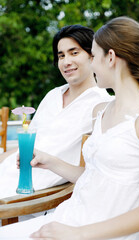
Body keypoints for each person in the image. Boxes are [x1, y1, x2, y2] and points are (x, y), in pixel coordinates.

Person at [1, 16, 139, 240]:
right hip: (70, 218)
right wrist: (49, 161)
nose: (92, 64)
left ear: (111, 58)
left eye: (93, 56)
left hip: (99, 232)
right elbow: (93, 177)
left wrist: (77, 233)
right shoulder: (102, 112)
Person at [0, 25, 112, 200]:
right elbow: (29, 143)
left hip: (35, 191)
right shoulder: (53, 95)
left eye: (74, 53)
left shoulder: (102, 105)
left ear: (92, 55)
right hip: (10, 174)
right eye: (61, 56)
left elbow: (97, 171)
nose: (66, 61)